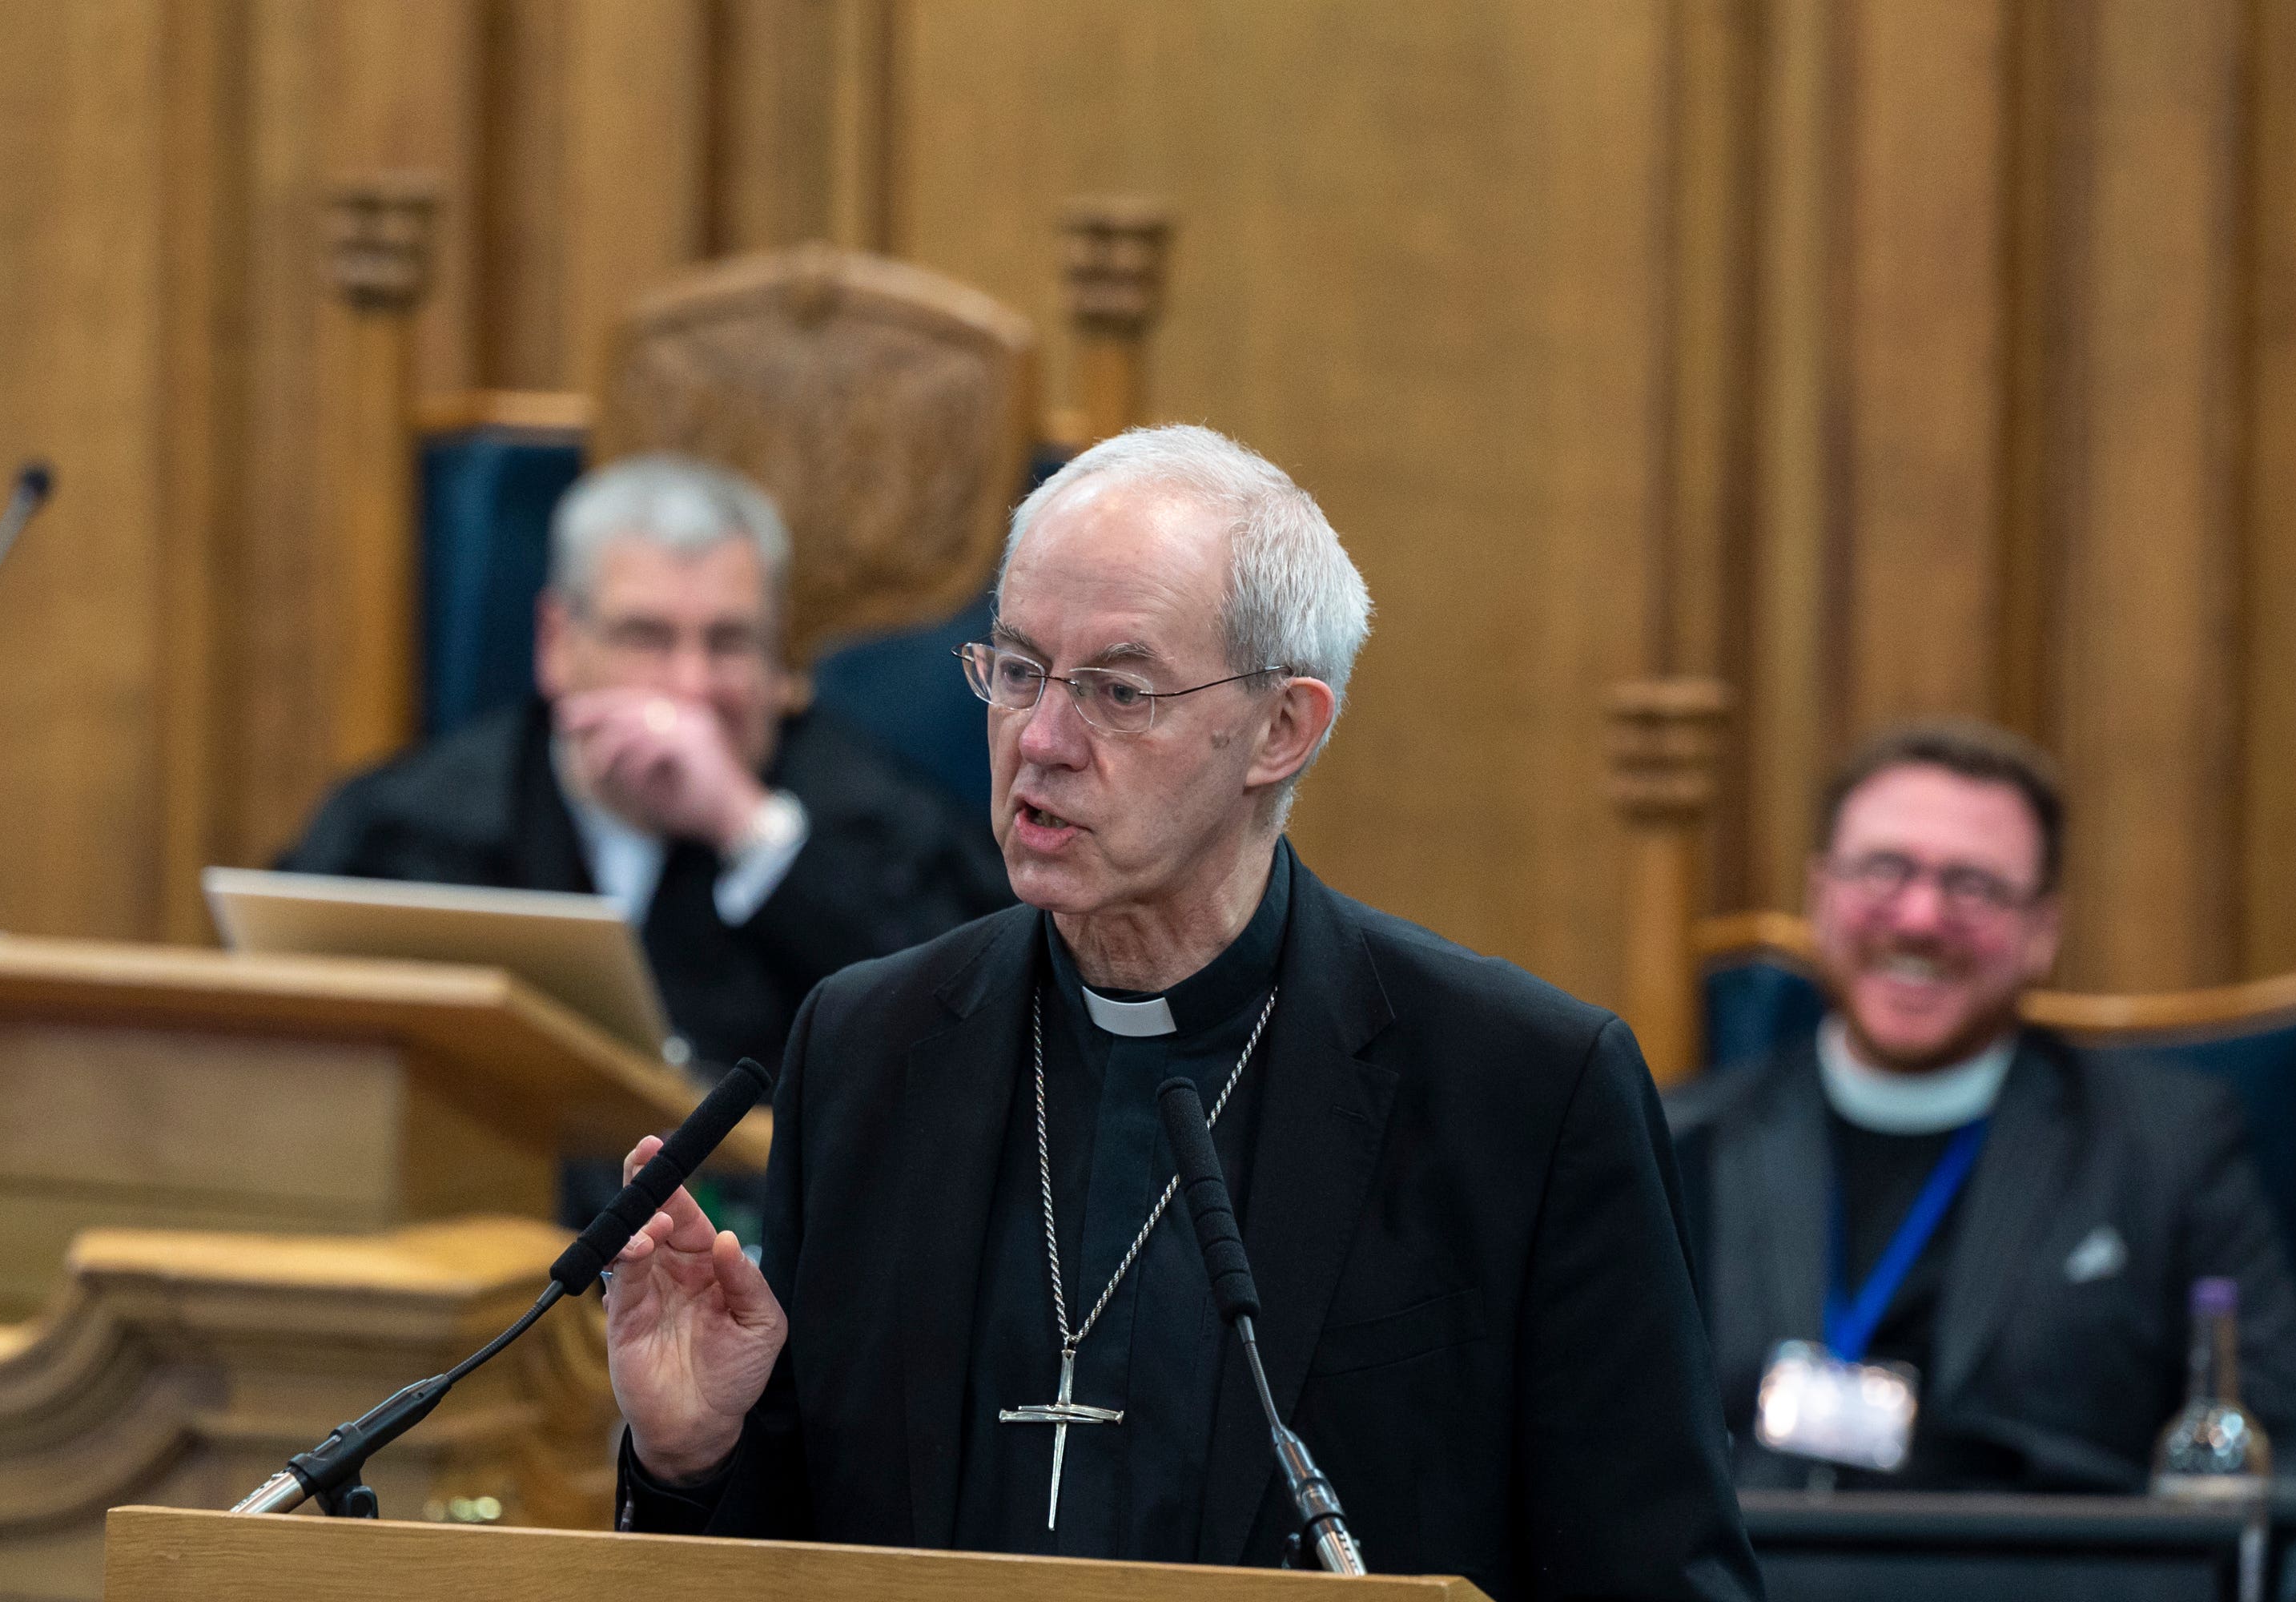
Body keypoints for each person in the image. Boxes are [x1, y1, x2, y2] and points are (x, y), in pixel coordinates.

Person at [601, 425, 1760, 1600]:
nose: (1041, 742)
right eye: (1016, 670)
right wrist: (693, 1456)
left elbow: (1660, 1576)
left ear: (1281, 730)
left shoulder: (1521, 1093)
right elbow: (797, 1553)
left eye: (1117, 690)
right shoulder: (868, 1047)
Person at [1669, 721, 2296, 1491]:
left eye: (1974, 886)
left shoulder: (2167, 1149)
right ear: (1820, 896)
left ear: (2042, 932)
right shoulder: (1683, 1142)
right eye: (1885, 870)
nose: (1921, 919)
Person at [282, 453, 1011, 1077]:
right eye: (646, 637)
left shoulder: (878, 817)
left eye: (728, 642)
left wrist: (748, 828)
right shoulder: (410, 824)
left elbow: (974, 1019)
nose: (689, 686)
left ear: (777, 660)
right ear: (558, 643)